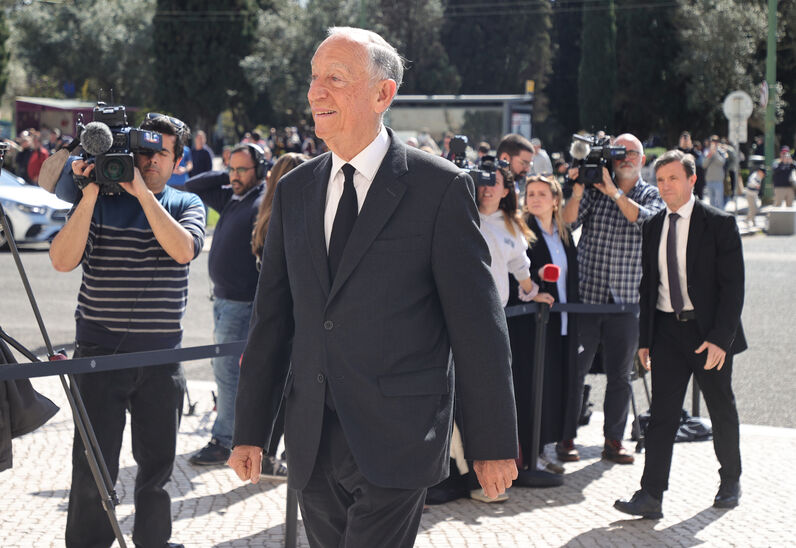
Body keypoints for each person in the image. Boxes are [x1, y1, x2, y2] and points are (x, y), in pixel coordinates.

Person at [228, 27, 518, 547]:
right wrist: (251, 430)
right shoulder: (294, 191)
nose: (316, 92)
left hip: (399, 437)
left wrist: (493, 442)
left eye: (335, 79)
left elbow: (478, 327)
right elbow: (272, 319)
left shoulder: (441, 188)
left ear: (383, 94)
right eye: (314, 79)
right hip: (312, 438)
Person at [50, 114, 205, 548]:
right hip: (98, 353)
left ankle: (153, 542)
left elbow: (182, 251)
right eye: (145, 151)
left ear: (177, 160)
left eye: (162, 153)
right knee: (92, 468)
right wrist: (92, 192)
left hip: (160, 357)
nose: (151, 160)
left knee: (156, 469)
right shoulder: (98, 201)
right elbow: (62, 260)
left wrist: (140, 192)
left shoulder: (185, 204)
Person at [614, 149, 745, 518]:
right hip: (667, 333)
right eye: (660, 179)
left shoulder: (719, 223)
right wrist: (644, 339)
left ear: (692, 180)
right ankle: (650, 495)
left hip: (709, 335)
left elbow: (733, 287)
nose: (665, 185)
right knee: (663, 416)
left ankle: (730, 481)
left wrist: (721, 339)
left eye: (673, 178)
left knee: (721, 409)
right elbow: (647, 286)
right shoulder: (653, 225)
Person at [562, 133, 664, 465]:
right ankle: (565, 437)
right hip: (587, 298)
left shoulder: (651, 194)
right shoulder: (594, 189)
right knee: (575, 370)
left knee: (621, 374)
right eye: (619, 153)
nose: (625, 159)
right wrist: (578, 189)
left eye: (632, 153)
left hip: (626, 301)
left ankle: (614, 440)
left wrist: (615, 192)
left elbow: (647, 222)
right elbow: (567, 221)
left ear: (643, 160)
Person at [181, 144, 282, 473]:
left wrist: (244, 176)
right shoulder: (232, 196)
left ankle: (225, 440)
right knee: (224, 370)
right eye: (231, 169)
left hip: (242, 302)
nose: (235, 176)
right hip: (223, 300)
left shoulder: (260, 202)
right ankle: (228, 436)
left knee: (228, 372)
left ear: (261, 170)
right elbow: (192, 185)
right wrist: (228, 173)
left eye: (242, 170)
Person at [507, 175, 582, 467]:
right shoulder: (522, 232)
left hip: (563, 322)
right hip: (533, 323)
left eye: (541, 193)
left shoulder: (563, 234)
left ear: (555, 200)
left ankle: (544, 449)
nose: (534, 198)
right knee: (533, 385)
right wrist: (535, 282)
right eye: (530, 193)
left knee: (556, 385)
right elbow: (515, 274)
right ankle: (530, 454)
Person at [702, 135, 726, 208]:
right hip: (709, 180)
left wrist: (715, 154)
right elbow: (704, 165)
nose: (714, 143)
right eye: (713, 141)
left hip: (718, 180)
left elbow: (722, 162)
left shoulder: (721, 151)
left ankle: (721, 219)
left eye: (716, 141)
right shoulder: (707, 151)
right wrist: (710, 155)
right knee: (711, 203)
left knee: (719, 202)